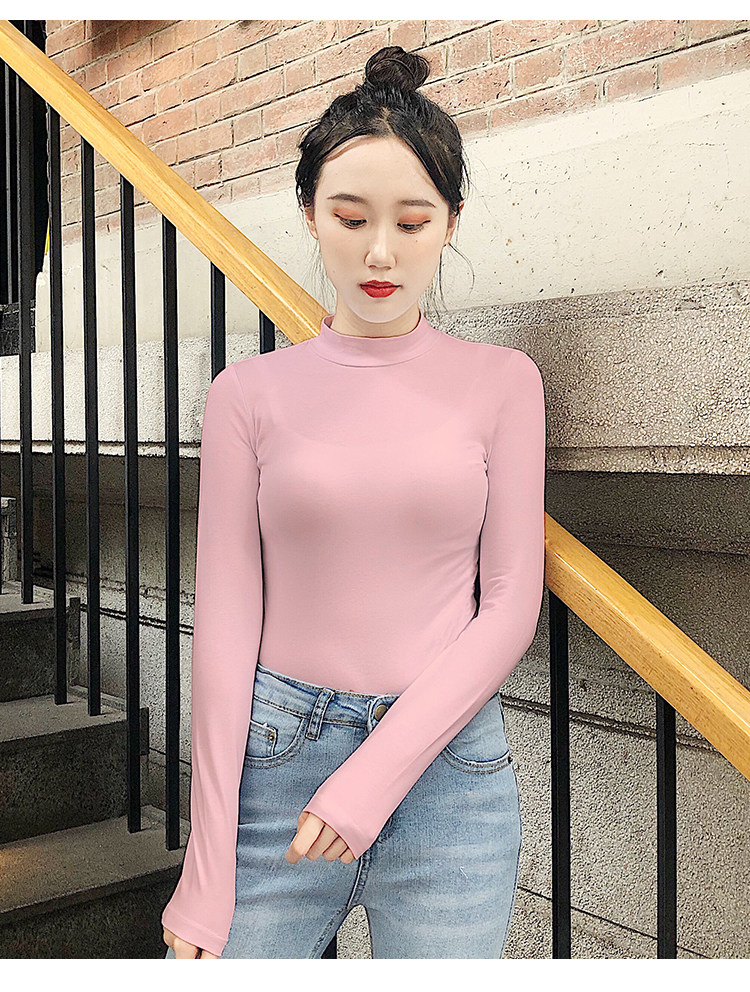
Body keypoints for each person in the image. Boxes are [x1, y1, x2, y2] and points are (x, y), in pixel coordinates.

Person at [162, 44, 546, 960]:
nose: (380, 252)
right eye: (349, 217)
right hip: (277, 769)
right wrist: (206, 869)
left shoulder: (503, 383)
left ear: (450, 222)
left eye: (412, 222)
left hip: (452, 780)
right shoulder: (246, 395)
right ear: (309, 214)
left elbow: (510, 603)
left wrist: (375, 775)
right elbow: (225, 625)